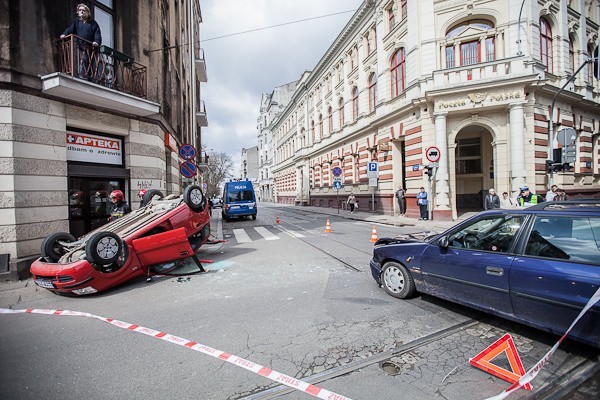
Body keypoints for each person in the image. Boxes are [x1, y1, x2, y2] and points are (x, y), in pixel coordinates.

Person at [60, 4, 102, 80]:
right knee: (82, 62)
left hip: (91, 48)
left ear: (88, 12)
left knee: (92, 65)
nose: (81, 12)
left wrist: (96, 42)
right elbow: (70, 29)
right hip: (81, 47)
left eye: (83, 10)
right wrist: (64, 34)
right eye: (80, 10)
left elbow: (97, 34)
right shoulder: (76, 22)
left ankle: (92, 80)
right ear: (78, 12)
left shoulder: (93, 23)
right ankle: (82, 78)